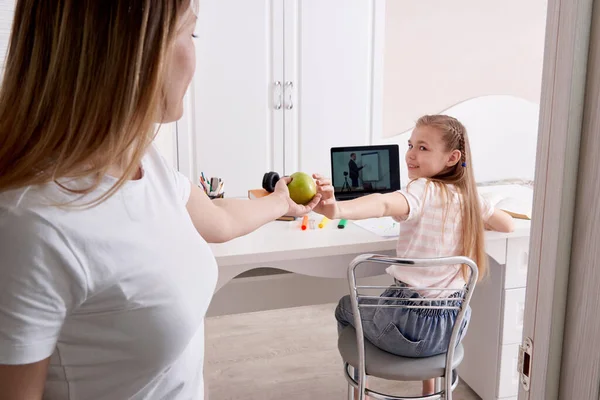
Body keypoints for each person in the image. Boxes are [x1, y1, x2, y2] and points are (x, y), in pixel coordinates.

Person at [0, 1, 320, 399]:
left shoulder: (141, 160)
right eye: (191, 32)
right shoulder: (32, 223)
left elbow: (218, 217)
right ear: (131, 51)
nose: (195, 54)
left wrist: (280, 203)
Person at [313, 115, 515, 397]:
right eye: (410, 145)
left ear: (452, 157)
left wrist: (337, 210)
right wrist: (472, 216)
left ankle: (363, 390)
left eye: (423, 147)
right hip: (450, 330)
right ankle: (428, 391)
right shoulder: (469, 198)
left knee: (346, 307)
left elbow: (384, 202)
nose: (410, 154)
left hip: (407, 329)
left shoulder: (421, 190)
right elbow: (507, 225)